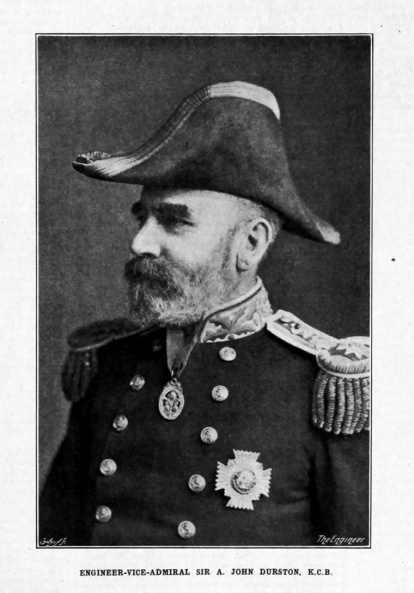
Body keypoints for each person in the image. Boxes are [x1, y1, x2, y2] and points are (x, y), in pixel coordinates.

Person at [40, 81, 369, 547]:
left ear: (250, 244)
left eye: (174, 220)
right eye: (142, 217)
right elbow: (54, 543)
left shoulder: (326, 385)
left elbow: (355, 567)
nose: (140, 242)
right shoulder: (109, 361)